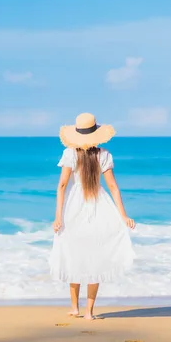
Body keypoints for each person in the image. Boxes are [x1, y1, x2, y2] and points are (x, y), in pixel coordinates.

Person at [49, 112, 136, 320]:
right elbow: (113, 187)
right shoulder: (104, 155)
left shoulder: (70, 154)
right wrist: (123, 215)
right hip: (99, 205)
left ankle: (75, 308)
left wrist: (58, 216)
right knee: (95, 256)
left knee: (73, 254)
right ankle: (89, 312)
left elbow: (61, 186)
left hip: (75, 207)